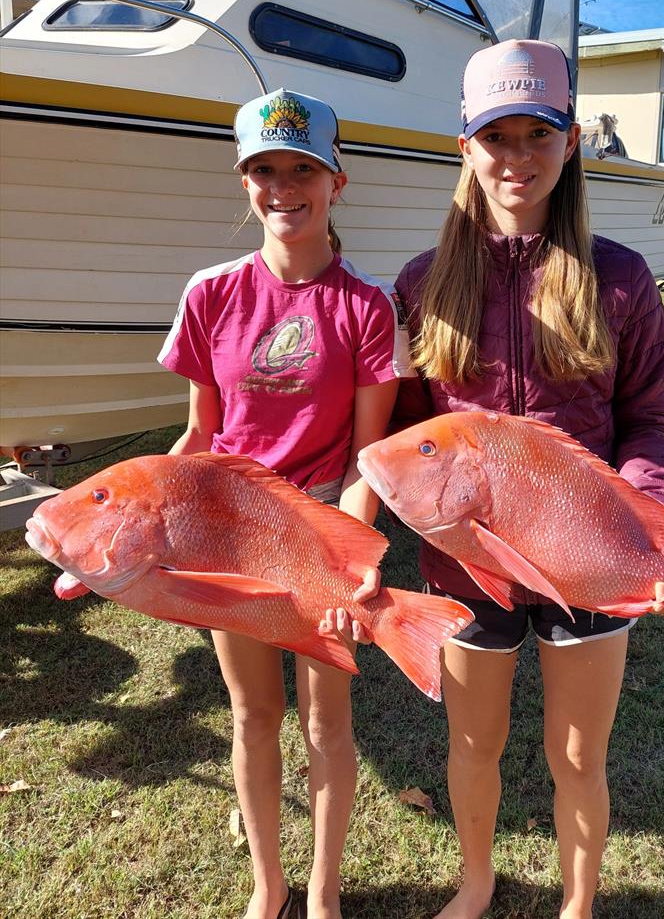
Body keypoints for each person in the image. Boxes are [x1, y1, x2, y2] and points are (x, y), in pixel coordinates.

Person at [392, 40, 664, 919]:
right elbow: (405, 436)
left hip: (590, 560)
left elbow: (645, 419)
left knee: (577, 755)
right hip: (468, 567)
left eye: (538, 133)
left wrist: (653, 533)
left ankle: (579, 901)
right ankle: (477, 880)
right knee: (473, 742)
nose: (516, 157)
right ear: (465, 147)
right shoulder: (421, 286)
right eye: (497, 135)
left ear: (569, 144)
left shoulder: (623, 278)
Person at [158, 88, 412, 919]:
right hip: (233, 545)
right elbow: (201, 435)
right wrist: (143, 516)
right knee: (252, 710)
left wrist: (347, 568)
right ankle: (269, 886)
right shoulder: (209, 293)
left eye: (303, 166)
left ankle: (325, 890)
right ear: (243, 181)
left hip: (318, 538)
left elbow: (367, 458)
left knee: (325, 719)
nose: (283, 185)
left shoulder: (367, 305)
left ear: (338, 180)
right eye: (264, 168)